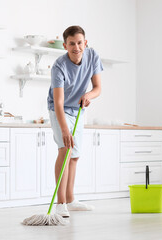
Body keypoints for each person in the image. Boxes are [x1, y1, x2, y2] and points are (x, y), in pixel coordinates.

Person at [47, 25, 103, 217]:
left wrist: (89, 95)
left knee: (75, 155)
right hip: (59, 110)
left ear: (85, 43)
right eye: (72, 44)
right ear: (65, 45)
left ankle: (71, 200)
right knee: (65, 150)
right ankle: (60, 203)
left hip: (78, 109)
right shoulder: (59, 66)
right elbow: (59, 102)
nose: (76, 47)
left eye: (80, 43)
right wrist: (64, 130)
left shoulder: (93, 56)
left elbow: (97, 88)